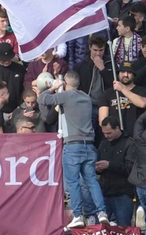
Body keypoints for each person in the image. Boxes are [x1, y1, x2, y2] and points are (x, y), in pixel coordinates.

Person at [38, 71, 106, 226]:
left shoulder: (66, 96)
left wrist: (54, 87)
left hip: (73, 146)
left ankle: (77, 215)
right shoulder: (86, 98)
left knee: (73, 182)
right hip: (89, 145)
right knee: (91, 181)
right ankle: (102, 213)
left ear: (66, 84)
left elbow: (42, 99)